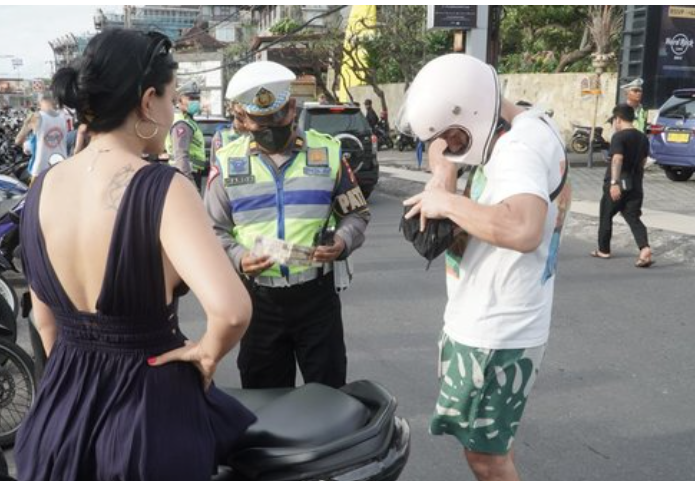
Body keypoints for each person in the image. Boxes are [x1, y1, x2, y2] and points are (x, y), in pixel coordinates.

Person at [13, 29, 255, 481]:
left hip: (57, 420)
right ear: (147, 102)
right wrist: (206, 355)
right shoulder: (163, 187)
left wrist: (78, 373)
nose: (172, 111)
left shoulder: (42, 187)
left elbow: (44, 321)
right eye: (172, 98)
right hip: (147, 421)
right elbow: (232, 311)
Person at [402, 54, 572, 481]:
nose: (451, 147)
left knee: (486, 459)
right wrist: (447, 172)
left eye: (454, 136)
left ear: (473, 112)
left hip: (495, 332)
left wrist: (445, 200)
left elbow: (524, 228)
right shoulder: (531, 124)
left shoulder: (517, 149)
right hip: (500, 321)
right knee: (494, 448)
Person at [206, 61, 371, 389]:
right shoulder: (227, 163)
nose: (270, 127)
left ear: (292, 108)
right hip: (257, 300)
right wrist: (238, 257)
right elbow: (213, 230)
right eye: (259, 121)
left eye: (277, 117)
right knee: (266, 401)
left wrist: (341, 242)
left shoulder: (329, 153)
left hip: (317, 299)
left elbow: (356, 214)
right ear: (243, 118)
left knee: (328, 397)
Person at [592, 104, 653, 267]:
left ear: (618, 119)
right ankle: (644, 248)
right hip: (635, 184)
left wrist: (614, 183)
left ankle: (603, 249)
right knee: (633, 217)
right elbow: (644, 161)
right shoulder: (642, 138)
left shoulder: (619, 137)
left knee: (606, 215)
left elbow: (617, 159)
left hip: (618, 183)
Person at [15, 92, 71, 179]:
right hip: (61, 167)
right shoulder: (63, 117)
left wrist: (25, 145)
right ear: (54, 101)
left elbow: (18, 140)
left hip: (40, 170)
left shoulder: (35, 117)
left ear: (39, 102)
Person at [165, 81, 207, 189]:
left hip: (190, 173)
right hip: (186, 174)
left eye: (197, 98)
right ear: (179, 100)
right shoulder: (182, 124)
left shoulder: (189, 121)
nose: (195, 102)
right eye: (191, 98)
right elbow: (181, 157)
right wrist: (190, 185)